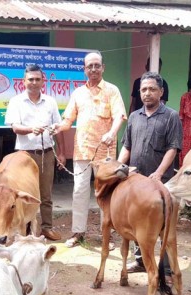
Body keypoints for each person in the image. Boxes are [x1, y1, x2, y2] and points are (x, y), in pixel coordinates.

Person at [51, 51, 127, 248]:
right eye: (89, 66)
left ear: (103, 67)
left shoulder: (112, 90)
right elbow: (67, 120)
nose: (93, 69)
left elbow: (119, 115)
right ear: (84, 69)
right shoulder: (78, 93)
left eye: (96, 65)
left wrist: (112, 132)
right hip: (82, 151)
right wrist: (56, 127)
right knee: (79, 191)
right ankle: (78, 232)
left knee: (104, 193)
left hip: (105, 153)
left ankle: (106, 235)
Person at [118, 72, 182, 292]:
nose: (147, 93)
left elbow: (173, 147)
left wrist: (159, 172)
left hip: (159, 182)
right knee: (137, 221)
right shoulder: (134, 116)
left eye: (152, 89)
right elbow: (127, 145)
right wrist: (118, 167)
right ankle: (141, 260)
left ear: (161, 92)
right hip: (136, 180)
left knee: (162, 227)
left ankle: (165, 270)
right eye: (143, 89)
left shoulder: (171, 116)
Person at [5, 64, 66, 241]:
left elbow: (59, 128)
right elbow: (15, 127)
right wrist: (32, 129)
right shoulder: (16, 101)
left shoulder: (51, 101)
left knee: (45, 193)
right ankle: (25, 229)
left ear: (43, 81)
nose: (34, 82)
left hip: (46, 153)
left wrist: (61, 153)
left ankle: (46, 228)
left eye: (37, 79)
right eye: (30, 79)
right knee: (22, 193)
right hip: (24, 156)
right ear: (24, 81)